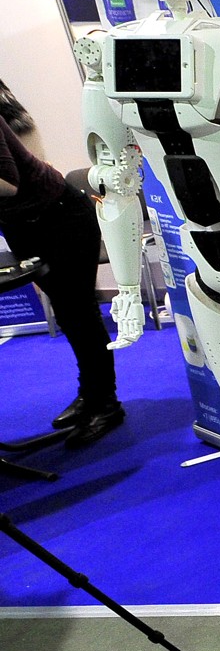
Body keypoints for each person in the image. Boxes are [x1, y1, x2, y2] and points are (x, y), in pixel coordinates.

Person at [0, 79, 123, 446]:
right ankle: (91, 394)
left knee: (80, 313)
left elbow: (8, 183)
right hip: (22, 224)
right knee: (68, 314)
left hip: (61, 216)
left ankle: (107, 405)